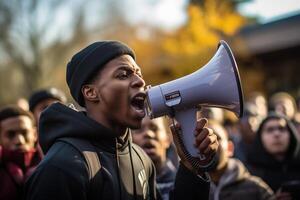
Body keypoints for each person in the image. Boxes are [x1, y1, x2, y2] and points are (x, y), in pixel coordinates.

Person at [24, 40, 219, 200]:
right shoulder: (61, 168)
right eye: (123, 74)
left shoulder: (141, 159)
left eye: (138, 73)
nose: (140, 82)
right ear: (91, 92)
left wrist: (189, 167)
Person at [207, 120, 275, 200]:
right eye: (202, 139)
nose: (208, 143)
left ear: (230, 148)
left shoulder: (256, 189)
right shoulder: (189, 189)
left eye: (216, 138)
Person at [246, 112, 300, 199]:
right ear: (260, 138)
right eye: (270, 130)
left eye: (282, 129)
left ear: (291, 135)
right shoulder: (250, 173)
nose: (277, 134)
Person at [0, 105, 42, 200]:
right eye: (11, 134)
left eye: (24, 133)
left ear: (35, 134)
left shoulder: (51, 165)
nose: (19, 140)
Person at [132, 116, 177, 200]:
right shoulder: (125, 186)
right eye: (139, 130)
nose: (148, 134)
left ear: (168, 138)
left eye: (155, 129)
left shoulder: (184, 183)